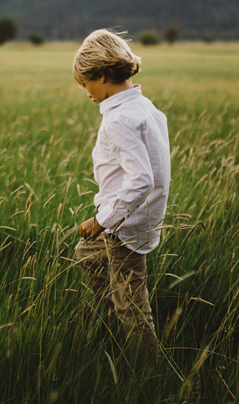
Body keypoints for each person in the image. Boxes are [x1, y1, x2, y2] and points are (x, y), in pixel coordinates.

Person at [73, 29, 171, 356]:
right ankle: (108, 324)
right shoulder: (145, 108)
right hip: (141, 219)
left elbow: (141, 179)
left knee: (132, 304)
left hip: (122, 227)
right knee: (86, 254)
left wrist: (103, 220)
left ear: (101, 75)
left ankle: (150, 371)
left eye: (86, 83)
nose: (85, 91)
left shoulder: (118, 120)